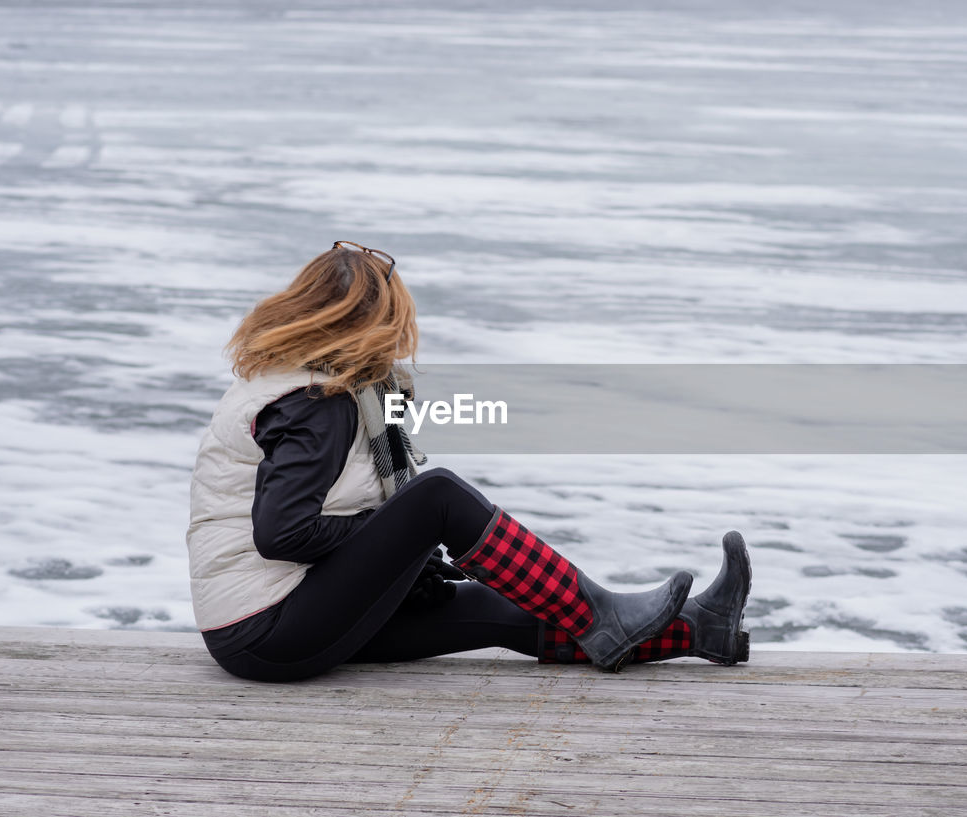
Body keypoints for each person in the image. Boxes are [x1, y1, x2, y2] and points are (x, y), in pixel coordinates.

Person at [186, 242, 752, 682]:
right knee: (436, 498)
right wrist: (395, 542)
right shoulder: (317, 403)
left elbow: (328, 517)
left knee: (498, 608)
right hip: (265, 630)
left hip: (281, 618)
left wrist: (399, 565)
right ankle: (601, 611)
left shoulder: (314, 383)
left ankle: (702, 630)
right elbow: (282, 534)